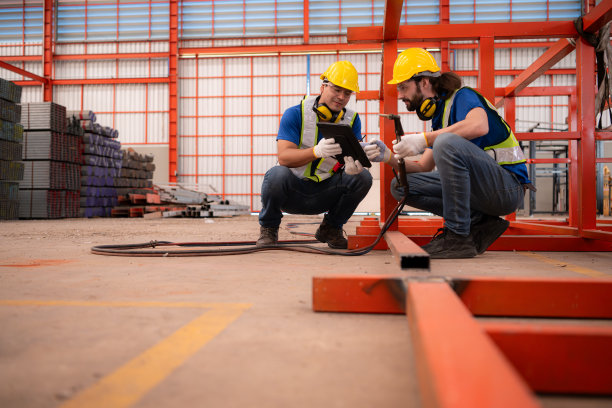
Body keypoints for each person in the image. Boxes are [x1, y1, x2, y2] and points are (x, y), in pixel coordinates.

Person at [363, 48, 533, 259]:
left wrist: (425, 138)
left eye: (404, 87)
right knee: (401, 186)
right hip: (483, 191)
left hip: (507, 188)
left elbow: (479, 126)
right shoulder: (441, 118)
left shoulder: (463, 96)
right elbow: (423, 167)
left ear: (424, 82)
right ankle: (478, 222)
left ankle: (457, 237)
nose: (400, 95)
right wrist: (388, 157)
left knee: (445, 140)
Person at [256, 60, 373, 249]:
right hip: (293, 190)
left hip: (325, 192)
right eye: (336, 89)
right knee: (276, 175)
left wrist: (358, 161)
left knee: (363, 177)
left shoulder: (352, 120)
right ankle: (269, 228)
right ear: (323, 87)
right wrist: (316, 151)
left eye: (347, 93)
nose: (341, 97)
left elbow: (354, 156)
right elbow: (284, 158)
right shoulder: (295, 114)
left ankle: (331, 228)